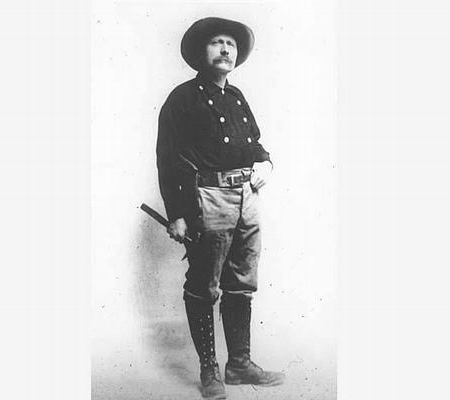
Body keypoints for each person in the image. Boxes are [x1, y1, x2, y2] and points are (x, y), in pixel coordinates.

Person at [156, 17, 285, 399]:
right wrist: (177, 213)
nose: (226, 49)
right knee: (204, 285)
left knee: (242, 282)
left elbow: (253, 142)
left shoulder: (237, 96)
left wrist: (265, 163)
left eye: (231, 43)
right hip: (208, 199)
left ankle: (239, 364)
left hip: (248, 197)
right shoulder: (182, 98)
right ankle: (209, 369)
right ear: (201, 51)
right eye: (217, 42)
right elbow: (167, 159)